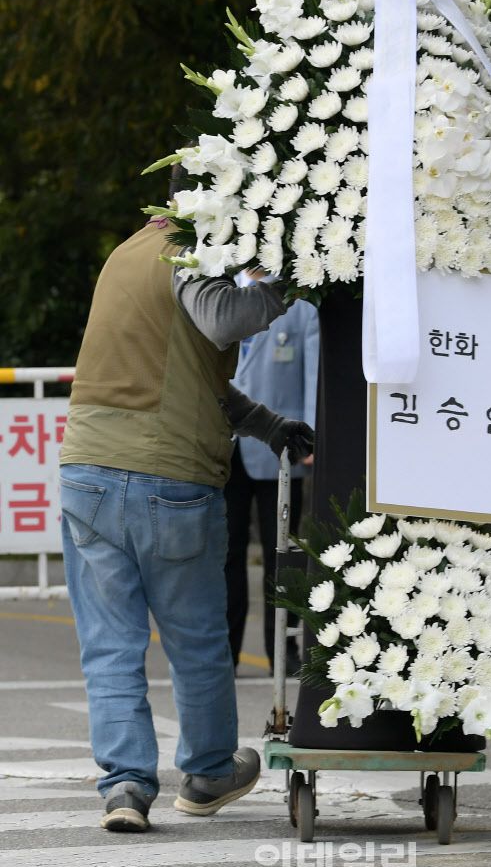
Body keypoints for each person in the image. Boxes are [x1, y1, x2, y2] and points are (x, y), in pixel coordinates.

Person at [59, 214, 313, 832]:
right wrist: (297, 275)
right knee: (196, 640)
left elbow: (190, 377)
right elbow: (223, 320)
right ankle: (206, 773)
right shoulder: (190, 253)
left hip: (87, 474)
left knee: (110, 644)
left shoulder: (126, 253)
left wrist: (268, 426)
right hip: (168, 479)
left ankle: (125, 786)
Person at [225, 268, 319, 674]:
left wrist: (312, 435)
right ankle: (225, 651)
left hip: (281, 447)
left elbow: (314, 374)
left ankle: (284, 650)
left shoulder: (299, 304)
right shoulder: (219, 292)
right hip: (225, 445)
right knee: (225, 553)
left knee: (282, 554)